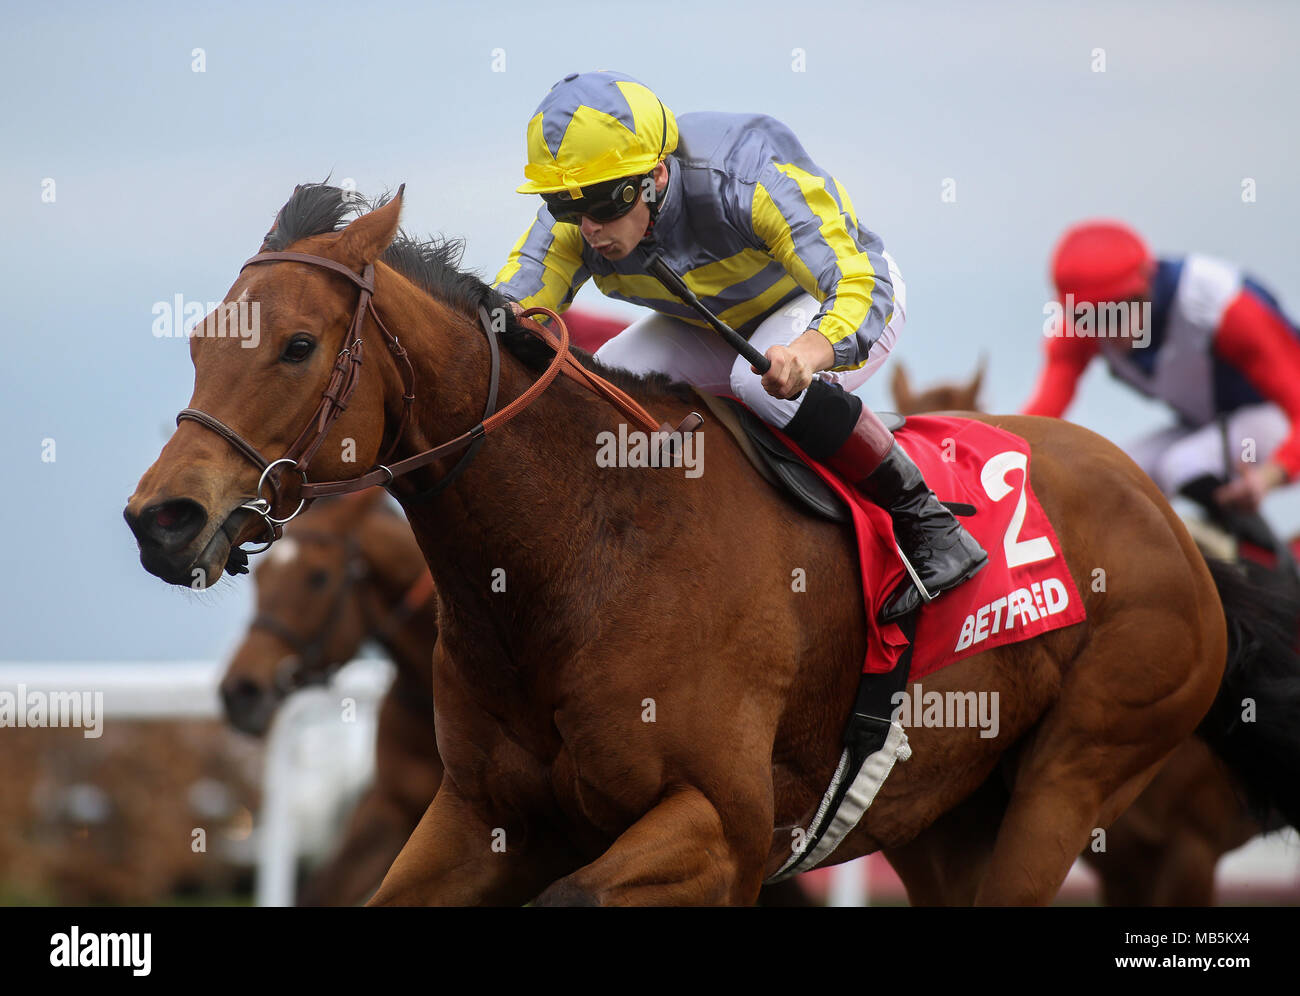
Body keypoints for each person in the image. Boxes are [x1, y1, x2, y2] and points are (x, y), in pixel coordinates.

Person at [492, 71, 985, 621]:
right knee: (600, 391)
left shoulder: (747, 175)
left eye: (604, 207)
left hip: (834, 303)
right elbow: (508, 311)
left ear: (654, 177)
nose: (587, 230)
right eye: (565, 208)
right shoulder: (585, 211)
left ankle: (929, 524)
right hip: (716, 323)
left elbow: (861, 284)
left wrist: (809, 350)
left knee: (761, 386)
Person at [1022, 220, 1300, 544]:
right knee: (1113, 475)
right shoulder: (1085, 327)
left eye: (1119, 310)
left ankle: (1268, 572)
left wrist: (1269, 477)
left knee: (1184, 464)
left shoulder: (1224, 307)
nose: (1109, 328)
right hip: (1205, 426)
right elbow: (1039, 418)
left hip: (1272, 418)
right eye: (1090, 317)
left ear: (1147, 281)